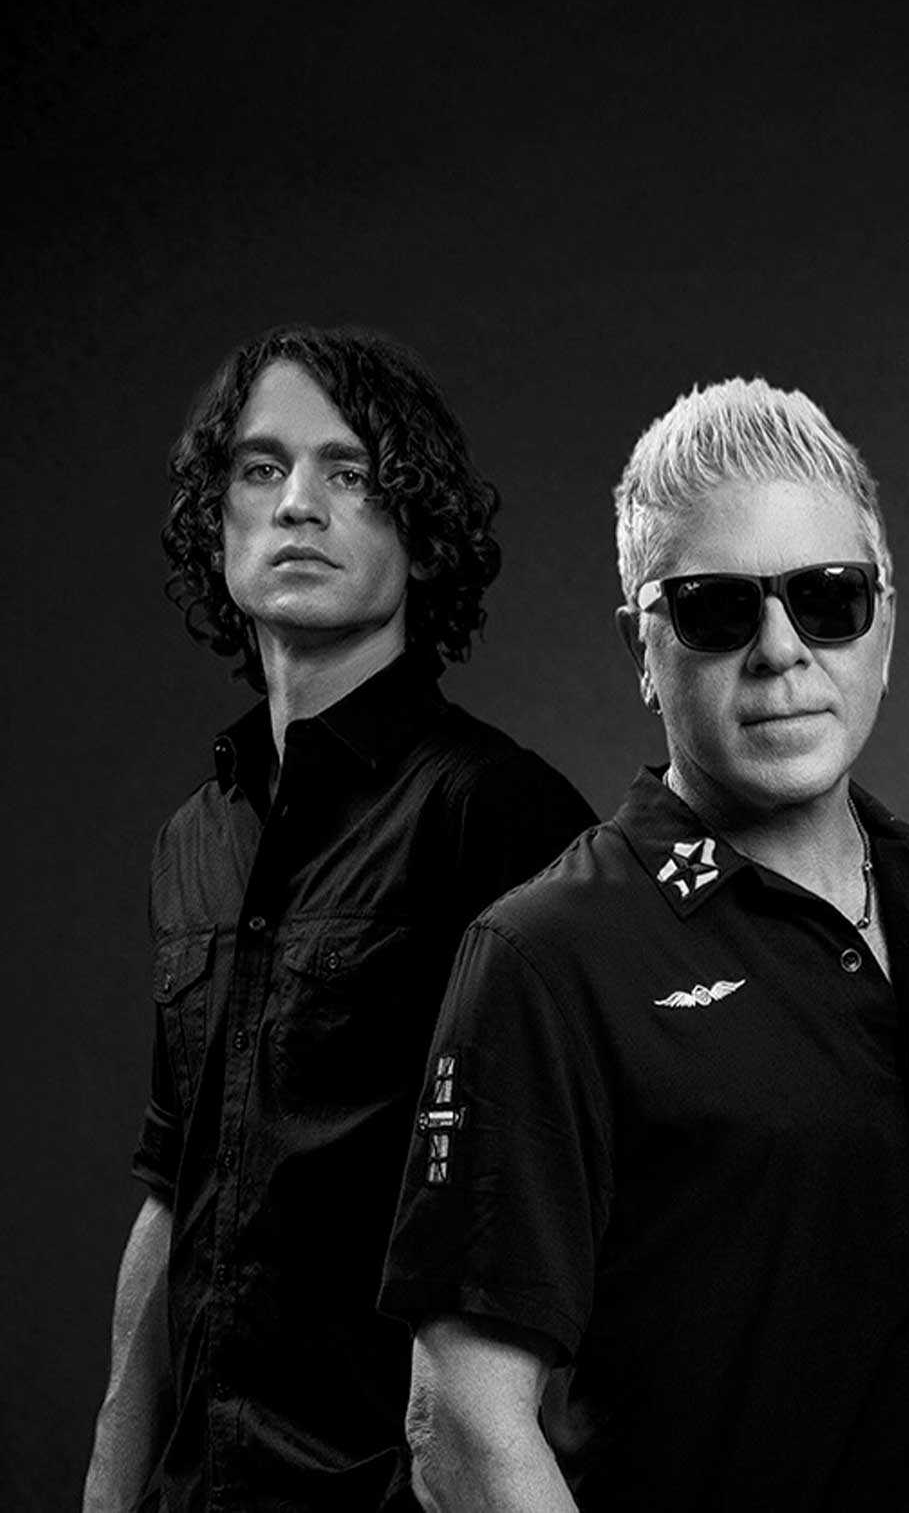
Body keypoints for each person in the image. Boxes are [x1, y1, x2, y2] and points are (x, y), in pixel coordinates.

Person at [382, 377, 909, 1511]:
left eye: (828, 598)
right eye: (716, 610)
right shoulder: (547, 960)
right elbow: (462, 1424)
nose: (781, 650)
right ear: (642, 646)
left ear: (885, 620)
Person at [83, 326, 595, 1513]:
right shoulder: (193, 840)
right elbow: (175, 1185)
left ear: (420, 526)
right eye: (260, 468)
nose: (297, 504)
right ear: (215, 520)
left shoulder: (503, 816)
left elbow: (577, 1218)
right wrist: (111, 1484)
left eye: (349, 471)